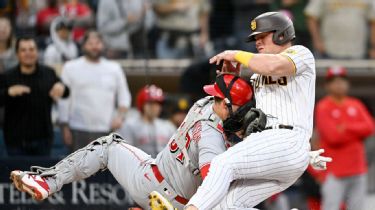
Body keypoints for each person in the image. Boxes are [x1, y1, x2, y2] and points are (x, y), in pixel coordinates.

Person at [10, 74, 258, 209]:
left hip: (148, 182)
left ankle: (48, 181)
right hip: (182, 205)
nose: (211, 97)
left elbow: (225, 96)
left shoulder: (202, 104)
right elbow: (213, 185)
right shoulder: (211, 137)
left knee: (108, 147)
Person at [179, 11, 319, 209]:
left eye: (262, 36)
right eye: (255, 38)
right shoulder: (256, 75)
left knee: (222, 164)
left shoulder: (300, 53)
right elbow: (244, 123)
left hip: (287, 139)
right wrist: (229, 81)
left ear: (281, 34)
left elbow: (273, 66)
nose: (257, 42)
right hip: (274, 147)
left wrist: (236, 54)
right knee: (226, 205)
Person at [58, 30, 131, 151]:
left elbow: (124, 96)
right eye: (90, 43)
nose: (94, 47)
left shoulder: (114, 68)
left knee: (105, 169)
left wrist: (120, 117)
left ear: (103, 45)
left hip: (107, 129)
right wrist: (64, 126)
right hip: (77, 128)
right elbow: (64, 99)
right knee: (79, 168)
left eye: (97, 43)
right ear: (83, 46)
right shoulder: (70, 67)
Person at [315, 66, 375, 210]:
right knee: (331, 207)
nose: (339, 84)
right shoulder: (323, 107)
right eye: (334, 81)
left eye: (342, 80)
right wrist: (356, 132)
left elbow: (370, 128)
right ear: (327, 85)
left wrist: (346, 127)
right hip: (334, 171)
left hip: (358, 168)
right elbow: (333, 137)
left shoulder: (356, 104)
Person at [0, 36, 69, 156]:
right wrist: (8, 92)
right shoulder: (7, 76)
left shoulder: (49, 73)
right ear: (17, 54)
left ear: (37, 52)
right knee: (17, 175)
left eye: (31, 49)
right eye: (23, 50)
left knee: (41, 175)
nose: (28, 53)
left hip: (43, 140)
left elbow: (66, 92)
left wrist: (62, 87)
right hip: (15, 142)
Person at [118, 85, 176, 158]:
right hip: (139, 166)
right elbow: (124, 153)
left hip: (164, 166)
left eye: (157, 103)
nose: (155, 107)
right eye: (151, 103)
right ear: (142, 104)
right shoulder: (129, 125)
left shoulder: (168, 126)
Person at [305, 0, 375, 59]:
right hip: (328, 50)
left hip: (359, 51)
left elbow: (373, 22)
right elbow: (312, 17)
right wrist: (317, 41)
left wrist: (373, 47)